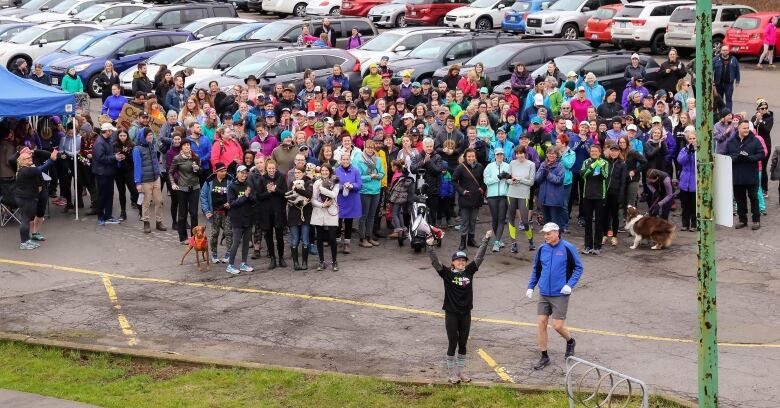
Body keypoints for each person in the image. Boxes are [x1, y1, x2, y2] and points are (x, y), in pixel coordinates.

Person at [427, 229, 492, 384]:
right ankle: (451, 374)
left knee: (463, 343)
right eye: (458, 261)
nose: (462, 262)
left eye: (464, 260)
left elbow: (479, 257)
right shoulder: (447, 273)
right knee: (452, 343)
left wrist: (486, 240)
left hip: (466, 314)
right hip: (451, 313)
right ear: (453, 263)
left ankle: (460, 372)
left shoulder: (469, 271)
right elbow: (435, 263)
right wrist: (430, 247)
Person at [526, 222, 583, 370]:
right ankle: (544, 356)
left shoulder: (567, 248)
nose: (546, 236)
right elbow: (536, 269)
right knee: (541, 323)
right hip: (544, 292)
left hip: (560, 293)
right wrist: (531, 286)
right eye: (544, 234)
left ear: (556, 233)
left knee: (557, 326)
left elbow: (578, 268)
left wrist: (569, 285)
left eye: (548, 233)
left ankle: (570, 341)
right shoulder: (542, 249)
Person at [13, 148, 58, 249]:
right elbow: (41, 168)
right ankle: (24, 242)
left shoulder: (25, 169)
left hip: (26, 197)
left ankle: (27, 240)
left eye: (30, 157)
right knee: (25, 220)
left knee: (26, 219)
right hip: (25, 198)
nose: (30, 158)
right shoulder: (26, 170)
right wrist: (51, 159)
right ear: (22, 161)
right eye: (27, 158)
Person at [724, 120, 765, 229]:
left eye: (747, 128)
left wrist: (749, 158)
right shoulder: (731, 141)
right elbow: (725, 156)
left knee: (753, 198)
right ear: (738, 128)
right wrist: (737, 158)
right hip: (737, 176)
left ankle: (756, 220)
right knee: (739, 199)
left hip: (751, 176)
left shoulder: (755, 141)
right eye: (744, 128)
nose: (746, 130)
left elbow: (761, 154)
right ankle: (742, 220)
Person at [132, 127, 167, 233]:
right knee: (146, 202)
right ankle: (146, 222)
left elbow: (156, 160)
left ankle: (158, 221)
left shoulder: (152, 145)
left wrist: (158, 171)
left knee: (159, 201)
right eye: (148, 135)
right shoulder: (137, 149)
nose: (151, 137)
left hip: (155, 177)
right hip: (145, 180)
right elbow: (137, 166)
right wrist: (138, 182)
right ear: (143, 136)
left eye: (151, 135)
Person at [257, 159, 288, 268]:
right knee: (268, 237)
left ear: (276, 168)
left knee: (279, 236)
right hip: (266, 213)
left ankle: (281, 257)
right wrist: (268, 192)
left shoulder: (281, 177)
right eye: (269, 168)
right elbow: (259, 196)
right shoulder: (262, 179)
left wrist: (276, 190)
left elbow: (285, 193)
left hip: (278, 212)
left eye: (273, 168)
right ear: (266, 168)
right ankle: (272, 258)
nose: (271, 170)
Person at [170, 139, 201, 245]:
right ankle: (183, 237)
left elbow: (199, 174)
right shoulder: (177, 158)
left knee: (194, 214)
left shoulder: (195, 157)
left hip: (195, 187)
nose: (187, 147)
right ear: (181, 147)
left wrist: (197, 169)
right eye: (185, 145)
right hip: (182, 188)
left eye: (188, 145)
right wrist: (173, 183)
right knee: (182, 214)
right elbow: (170, 173)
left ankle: (194, 237)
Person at [354, 140, 384, 248]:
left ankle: (369, 237)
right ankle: (362, 239)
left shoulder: (378, 160)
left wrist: (378, 175)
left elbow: (382, 173)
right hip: (365, 191)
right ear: (364, 147)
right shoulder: (359, 160)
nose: (371, 149)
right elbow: (358, 177)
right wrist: (370, 177)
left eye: (372, 147)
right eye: (368, 147)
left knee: (372, 215)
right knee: (364, 215)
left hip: (376, 190)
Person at [201, 162, 233, 264]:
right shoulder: (209, 181)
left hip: (227, 212)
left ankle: (228, 254)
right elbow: (203, 196)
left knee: (228, 233)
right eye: (222, 171)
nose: (224, 173)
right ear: (216, 171)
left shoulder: (230, 180)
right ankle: (214, 254)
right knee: (214, 234)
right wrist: (206, 211)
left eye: (225, 171)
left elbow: (234, 194)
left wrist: (230, 203)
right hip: (214, 212)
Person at [225, 165, 255, 275]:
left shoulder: (249, 185)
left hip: (248, 217)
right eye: (241, 173)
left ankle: (244, 263)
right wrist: (245, 196)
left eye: (245, 173)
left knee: (246, 242)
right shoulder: (232, 187)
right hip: (237, 218)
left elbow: (253, 200)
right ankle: (230, 265)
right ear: (237, 174)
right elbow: (232, 203)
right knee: (236, 242)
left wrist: (249, 196)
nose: (244, 175)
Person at [452, 148, 484, 250]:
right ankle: (462, 242)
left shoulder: (480, 167)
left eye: (472, 156)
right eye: (469, 156)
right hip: (465, 198)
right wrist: (462, 191)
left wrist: (482, 189)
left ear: (475, 157)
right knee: (465, 221)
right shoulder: (460, 167)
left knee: (473, 220)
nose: (471, 158)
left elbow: (484, 180)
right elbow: (454, 181)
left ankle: (471, 240)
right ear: (465, 157)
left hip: (476, 197)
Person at [311, 163, 340, 271]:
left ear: (330, 171)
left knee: (332, 238)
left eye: (326, 171)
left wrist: (322, 189)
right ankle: (321, 261)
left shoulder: (335, 182)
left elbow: (334, 195)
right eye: (322, 170)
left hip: (331, 211)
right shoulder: (316, 182)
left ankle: (334, 261)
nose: (324, 172)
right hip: (319, 211)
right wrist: (322, 205)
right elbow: (313, 199)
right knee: (319, 238)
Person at [92, 123, 123, 226]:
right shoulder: (99, 142)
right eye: (111, 131)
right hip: (102, 173)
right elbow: (100, 158)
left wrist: (116, 155)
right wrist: (115, 157)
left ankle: (108, 215)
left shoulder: (108, 140)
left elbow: (108, 154)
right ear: (107, 131)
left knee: (110, 194)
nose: (112, 132)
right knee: (102, 195)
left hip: (109, 172)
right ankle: (101, 216)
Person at [579, 145, 608, 255]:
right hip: (587, 195)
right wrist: (592, 166)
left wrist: (599, 167)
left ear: (600, 152)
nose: (594, 153)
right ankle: (588, 246)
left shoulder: (604, 162)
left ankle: (597, 246)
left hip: (600, 196)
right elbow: (582, 174)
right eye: (592, 151)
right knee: (588, 222)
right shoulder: (586, 162)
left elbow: (605, 176)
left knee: (599, 223)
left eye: (596, 151)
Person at [507, 145, 536, 252]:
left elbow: (531, 182)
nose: (519, 155)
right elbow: (507, 180)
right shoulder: (512, 163)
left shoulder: (531, 164)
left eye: (521, 153)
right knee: (511, 218)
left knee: (525, 220)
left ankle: (531, 241)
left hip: (523, 194)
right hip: (511, 193)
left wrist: (519, 179)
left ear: (525, 153)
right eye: (517, 153)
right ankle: (513, 243)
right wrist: (512, 181)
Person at [286, 166, 313, 270]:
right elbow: (288, 197)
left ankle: (304, 263)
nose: (297, 174)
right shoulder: (291, 183)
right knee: (294, 240)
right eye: (295, 173)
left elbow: (309, 194)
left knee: (305, 240)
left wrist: (297, 189)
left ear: (303, 173)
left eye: (299, 172)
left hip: (305, 215)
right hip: (293, 215)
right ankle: (296, 263)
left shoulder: (308, 182)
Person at [484, 149, 511, 252]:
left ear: (504, 156)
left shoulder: (507, 166)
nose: (500, 156)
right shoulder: (489, 167)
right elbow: (486, 181)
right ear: (494, 156)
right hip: (492, 196)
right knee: (495, 219)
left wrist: (508, 178)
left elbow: (509, 181)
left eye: (501, 154)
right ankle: (498, 239)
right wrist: (498, 177)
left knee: (501, 219)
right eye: (498, 154)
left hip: (504, 195)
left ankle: (497, 241)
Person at [535, 147, 566, 229]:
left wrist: (548, 174)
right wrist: (542, 172)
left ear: (557, 155)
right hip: (544, 199)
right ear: (546, 154)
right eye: (549, 153)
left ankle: (557, 240)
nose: (551, 155)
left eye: (553, 154)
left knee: (555, 224)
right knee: (547, 225)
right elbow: (537, 179)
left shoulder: (560, 165)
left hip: (555, 200)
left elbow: (559, 180)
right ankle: (548, 241)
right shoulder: (543, 164)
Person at [602, 145, 625, 246]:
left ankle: (614, 236)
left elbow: (623, 181)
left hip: (615, 193)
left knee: (614, 215)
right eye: (612, 151)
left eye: (616, 151)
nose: (614, 153)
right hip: (605, 193)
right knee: (605, 215)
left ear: (619, 152)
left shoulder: (622, 164)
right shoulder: (605, 162)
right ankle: (605, 235)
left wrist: (620, 196)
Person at [113, 129, 137, 221]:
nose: (122, 137)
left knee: (134, 191)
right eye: (121, 135)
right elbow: (112, 155)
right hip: (118, 171)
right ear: (118, 136)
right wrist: (117, 157)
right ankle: (123, 212)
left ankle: (141, 210)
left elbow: (134, 159)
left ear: (127, 136)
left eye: (124, 135)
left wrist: (127, 154)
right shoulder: (115, 145)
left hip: (129, 170)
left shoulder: (132, 145)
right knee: (121, 192)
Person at [677, 126, 697, 231]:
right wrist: (689, 152)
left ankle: (694, 224)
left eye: (694, 138)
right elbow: (680, 161)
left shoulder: (699, 151)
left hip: (695, 181)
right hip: (685, 181)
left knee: (694, 205)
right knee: (685, 205)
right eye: (690, 139)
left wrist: (694, 152)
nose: (692, 140)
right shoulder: (684, 150)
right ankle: (685, 224)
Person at [752, 99, 774, 195]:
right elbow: (751, 128)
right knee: (755, 166)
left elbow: (766, 131)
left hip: (766, 145)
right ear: (758, 109)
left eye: (766, 108)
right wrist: (756, 121)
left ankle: (765, 189)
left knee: (763, 167)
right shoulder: (754, 117)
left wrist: (760, 121)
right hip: (755, 145)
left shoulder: (769, 118)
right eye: (762, 108)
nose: (764, 109)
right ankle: (755, 186)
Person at [713, 45, 740, 111]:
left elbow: (737, 70)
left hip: (729, 84)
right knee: (719, 99)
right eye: (723, 50)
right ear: (721, 51)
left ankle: (728, 114)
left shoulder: (733, 59)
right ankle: (721, 113)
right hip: (718, 83)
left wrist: (737, 80)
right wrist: (712, 81)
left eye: (726, 50)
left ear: (728, 51)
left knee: (729, 99)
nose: (724, 51)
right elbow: (710, 70)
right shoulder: (716, 59)